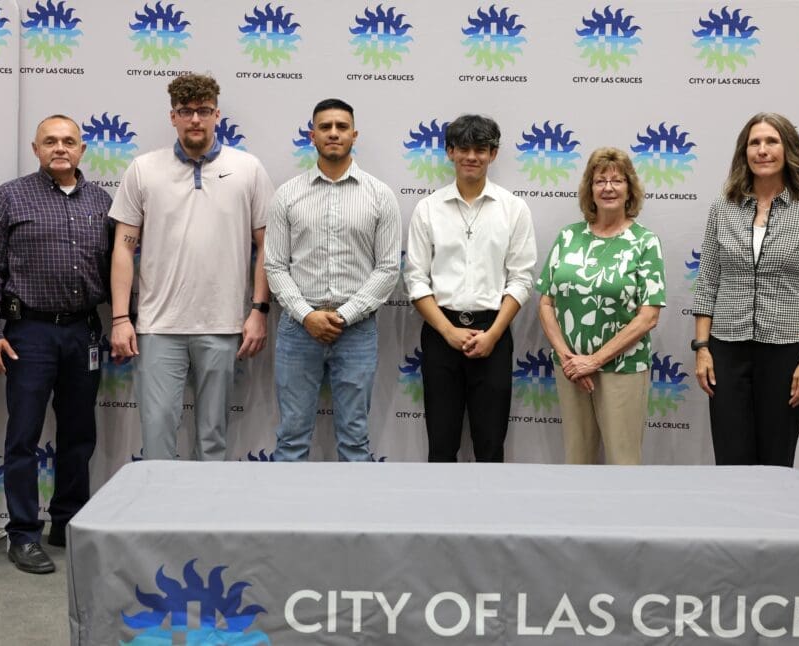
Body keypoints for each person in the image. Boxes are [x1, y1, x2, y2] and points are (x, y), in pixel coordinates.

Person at [0, 115, 113, 574]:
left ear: (82, 149)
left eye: (68, 141)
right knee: (24, 435)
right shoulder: (10, 197)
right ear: (35, 149)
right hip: (27, 333)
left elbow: (119, 269)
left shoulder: (102, 200)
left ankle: (67, 521)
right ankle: (24, 533)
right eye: (50, 141)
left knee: (78, 435)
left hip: (84, 331)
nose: (60, 148)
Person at [109, 74, 273, 462]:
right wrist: (119, 318)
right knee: (157, 433)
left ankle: (206, 519)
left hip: (223, 325)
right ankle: (160, 522)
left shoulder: (248, 169)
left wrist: (259, 311)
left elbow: (268, 245)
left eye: (203, 111)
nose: (195, 119)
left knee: (213, 439)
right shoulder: (143, 169)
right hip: (157, 326)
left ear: (216, 114)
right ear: (173, 117)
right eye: (186, 112)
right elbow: (123, 246)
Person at [264, 98, 401, 461]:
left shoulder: (380, 196)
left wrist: (346, 315)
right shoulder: (287, 195)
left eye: (342, 127)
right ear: (312, 135)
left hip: (356, 331)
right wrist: (307, 315)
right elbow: (275, 265)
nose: (334, 133)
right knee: (291, 439)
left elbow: (388, 268)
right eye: (325, 127)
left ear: (354, 134)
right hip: (298, 329)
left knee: (355, 440)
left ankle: (352, 517)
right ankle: (283, 518)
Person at [692, 112, 799, 466]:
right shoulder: (722, 209)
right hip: (726, 350)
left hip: (785, 352)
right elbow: (707, 281)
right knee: (731, 459)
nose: (763, 150)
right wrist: (703, 349)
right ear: (744, 152)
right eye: (755, 142)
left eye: (772, 141)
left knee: (776, 460)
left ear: (788, 151)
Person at [403, 114, 537, 462]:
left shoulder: (513, 209)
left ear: (493, 154)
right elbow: (416, 279)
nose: (472, 157)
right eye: (463, 148)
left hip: (493, 332)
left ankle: (490, 516)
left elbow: (521, 278)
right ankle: (439, 515)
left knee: (491, 444)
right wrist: (447, 331)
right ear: (449, 152)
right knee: (442, 443)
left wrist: (492, 334)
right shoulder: (428, 209)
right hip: (440, 334)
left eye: (481, 149)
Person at [536, 148, 666, 465]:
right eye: (600, 180)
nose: (608, 187)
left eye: (617, 180)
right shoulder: (568, 237)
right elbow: (546, 302)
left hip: (621, 369)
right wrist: (570, 360)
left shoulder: (644, 242)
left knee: (623, 462)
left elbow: (648, 317)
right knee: (577, 460)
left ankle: (623, 516)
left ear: (629, 189)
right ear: (589, 190)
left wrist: (593, 361)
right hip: (570, 370)